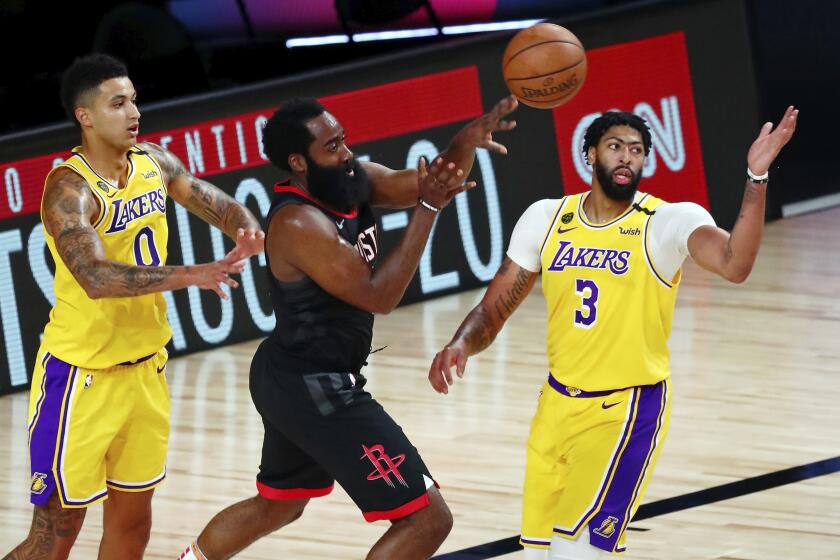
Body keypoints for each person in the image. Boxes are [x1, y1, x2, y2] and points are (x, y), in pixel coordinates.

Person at [428, 107, 798, 559]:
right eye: (615, 147)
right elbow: (493, 310)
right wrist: (460, 343)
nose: (627, 158)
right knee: (540, 555)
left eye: (637, 151)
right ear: (590, 155)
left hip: (625, 411)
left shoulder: (666, 222)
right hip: (556, 409)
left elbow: (735, 264)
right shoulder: (547, 218)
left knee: (577, 554)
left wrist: (754, 178)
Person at [177, 95, 519, 560]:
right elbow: (381, 296)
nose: (344, 153)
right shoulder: (299, 222)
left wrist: (465, 142)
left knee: (279, 505)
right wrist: (429, 210)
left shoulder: (354, 178)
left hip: (291, 376)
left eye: (343, 140)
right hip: (314, 388)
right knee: (428, 517)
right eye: (331, 146)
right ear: (299, 162)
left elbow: (423, 183)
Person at [4, 54, 264, 560]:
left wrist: (246, 229)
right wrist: (194, 274)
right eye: (118, 103)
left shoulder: (154, 162)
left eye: (134, 99)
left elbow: (212, 199)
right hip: (81, 376)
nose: (133, 111)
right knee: (55, 534)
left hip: (145, 371)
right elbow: (96, 277)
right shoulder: (69, 187)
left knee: (133, 525)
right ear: (85, 116)